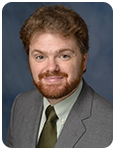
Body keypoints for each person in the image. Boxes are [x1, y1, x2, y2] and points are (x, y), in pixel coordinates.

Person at [6, 4, 113, 148]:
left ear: (83, 61)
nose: (51, 68)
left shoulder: (110, 125)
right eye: (40, 57)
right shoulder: (20, 105)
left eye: (64, 55)